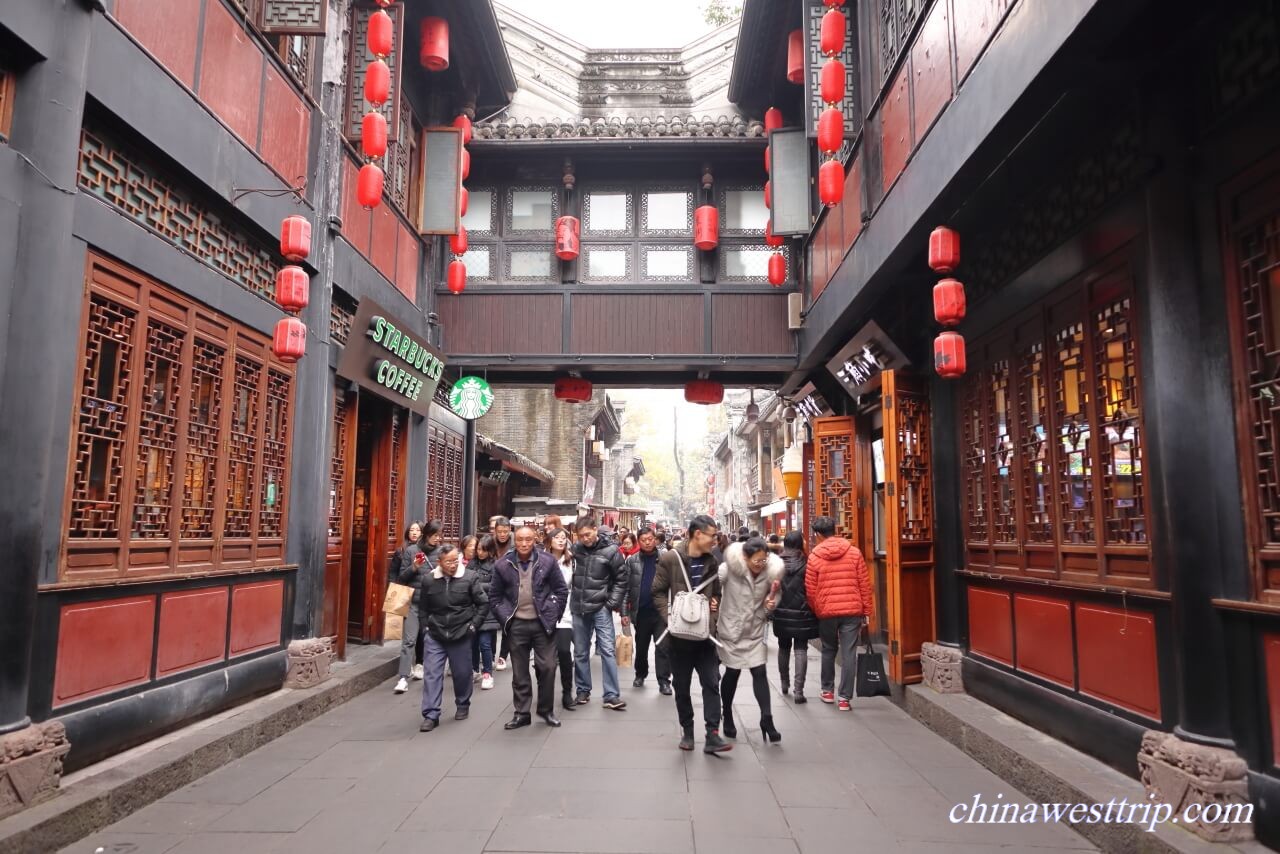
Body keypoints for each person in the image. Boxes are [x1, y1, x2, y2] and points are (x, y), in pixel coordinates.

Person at [652, 514, 731, 753]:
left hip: (705, 637)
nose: (715, 540)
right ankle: (687, 731)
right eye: (712, 535)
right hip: (678, 639)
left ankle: (712, 734)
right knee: (682, 686)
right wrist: (671, 618)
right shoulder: (670, 559)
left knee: (711, 682)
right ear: (698, 534)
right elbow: (656, 592)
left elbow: (716, 594)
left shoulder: (713, 562)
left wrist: (712, 618)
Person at [489, 525, 568, 728]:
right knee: (520, 671)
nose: (524, 544)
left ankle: (545, 710)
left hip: (543, 624)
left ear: (535, 540)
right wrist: (505, 617)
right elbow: (494, 597)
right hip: (517, 625)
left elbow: (561, 590)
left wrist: (553, 613)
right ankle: (522, 713)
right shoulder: (503, 564)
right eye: (521, 540)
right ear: (515, 541)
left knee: (548, 667)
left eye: (529, 540)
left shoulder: (547, 561)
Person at [717, 538, 784, 743]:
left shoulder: (771, 573)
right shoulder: (729, 570)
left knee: (760, 671)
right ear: (745, 557)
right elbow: (712, 589)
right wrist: (712, 602)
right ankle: (727, 713)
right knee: (732, 672)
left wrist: (770, 605)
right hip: (732, 629)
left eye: (763, 560)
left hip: (754, 629)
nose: (760, 564)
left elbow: (772, 599)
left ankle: (767, 719)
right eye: (756, 561)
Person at [415, 545, 487, 732]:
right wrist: (425, 628)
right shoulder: (429, 580)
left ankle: (463, 703)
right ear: (439, 562)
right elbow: (423, 608)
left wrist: (473, 626)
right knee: (432, 675)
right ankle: (431, 714)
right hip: (435, 633)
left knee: (462, 673)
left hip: (461, 632)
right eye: (449, 561)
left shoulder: (470, 577)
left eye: (456, 560)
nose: (453, 564)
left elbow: (482, 603)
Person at [806, 515, 873, 710]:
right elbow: (864, 584)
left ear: (818, 534)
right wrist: (866, 610)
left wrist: (818, 608)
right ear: (835, 530)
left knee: (828, 649)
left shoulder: (815, 556)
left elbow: (811, 590)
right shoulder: (854, 553)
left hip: (826, 611)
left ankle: (827, 691)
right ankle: (844, 698)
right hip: (852, 610)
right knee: (849, 652)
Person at [569, 516, 628, 710]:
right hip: (578, 606)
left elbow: (621, 579)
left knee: (608, 651)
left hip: (601, 607)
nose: (584, 539)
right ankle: (582, 690)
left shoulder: (611, 551)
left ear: (595, 530)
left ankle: (611, 694)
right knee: (580, 652)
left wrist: (610, 603)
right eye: (581, 536)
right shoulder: (575, 550)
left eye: (587, 534)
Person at [773, 531, 820, 703]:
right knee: (801, 649)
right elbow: (812, 589)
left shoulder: (776, 564)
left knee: (783, 647)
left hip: (782, 613)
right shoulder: (807, 563)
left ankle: (784, 683)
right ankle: (799, 690)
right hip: (803, 613)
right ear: (800, 543)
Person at [623, 527, 671, 694]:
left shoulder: (665, 558)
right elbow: (626, 588)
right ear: (639, 541)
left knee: (663, 646)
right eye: (644, 540)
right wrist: (624, 612)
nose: (648, 542)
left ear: (655, 539)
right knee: (641, 646)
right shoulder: (632, 561)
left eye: (650, 539)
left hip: (661, 612)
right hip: (641, 612)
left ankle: (664, 680)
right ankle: (640, 674)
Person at [546, 527, 578, 711]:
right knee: (545, 658)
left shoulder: (571, 561)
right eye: (557, 537)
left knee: (565, 652)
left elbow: (574, 586)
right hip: (544, 613)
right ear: (549, 540)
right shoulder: (541, 559)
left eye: (563, 538)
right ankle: (545, 692)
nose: (561, 540)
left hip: (565, 613)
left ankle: (567, 692)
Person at [470, 535, 501, 690]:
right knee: (473, 643)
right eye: (478, 549)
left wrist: (477, 586)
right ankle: (474, 669)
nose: (479, 552)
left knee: (485, 643)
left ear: (490, 551)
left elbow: (495, 586)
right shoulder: (472, 564)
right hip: (472, 609)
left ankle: (487, 672)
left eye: (483, 550)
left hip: (488, 609)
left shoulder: (495, 566)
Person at [490, 516, 515, 670]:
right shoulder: (490, 543)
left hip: (509, 586)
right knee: (492, 621)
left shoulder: (514, 544)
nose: (503, 535)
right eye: (500, 531)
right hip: (493, 585)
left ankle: (503, 656)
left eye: (505, 531)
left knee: (507, 622)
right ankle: (491, 654)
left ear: (510, 530)